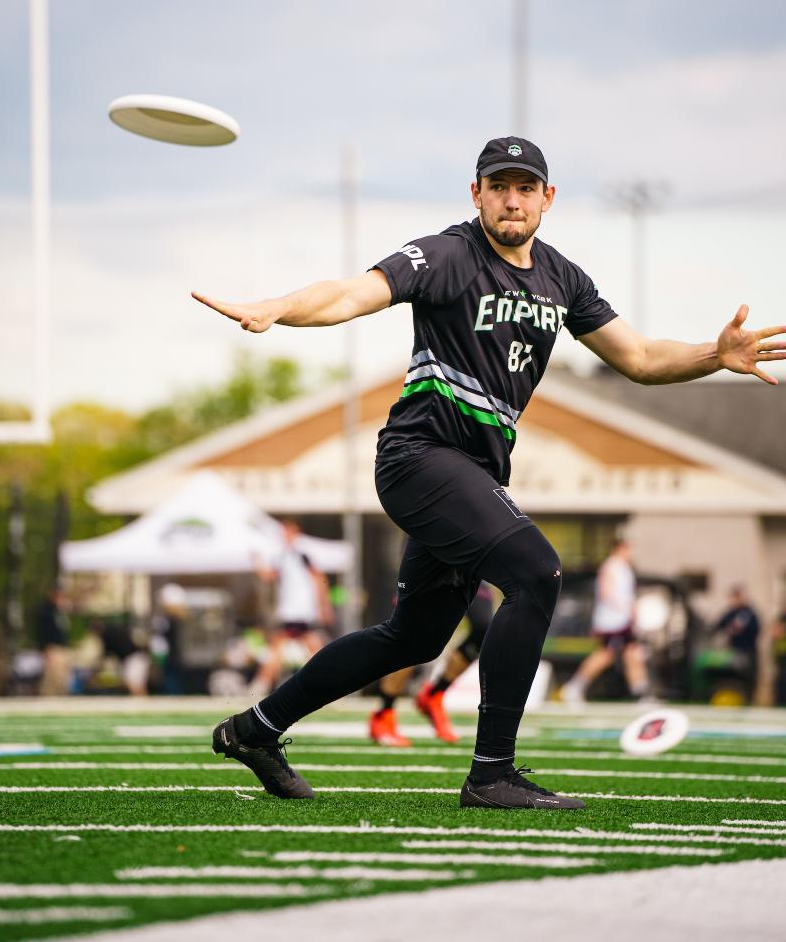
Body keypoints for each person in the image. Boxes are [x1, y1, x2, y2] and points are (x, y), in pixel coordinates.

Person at [196, 134, 786, 811]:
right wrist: (276, 309)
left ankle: (255, 729)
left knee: (416, 637)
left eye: (525, 187)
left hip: (473, 473)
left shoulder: (563, 279)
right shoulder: (448, 255)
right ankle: (491, 774)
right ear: (476, 194)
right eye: (498, 186)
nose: (512, 200)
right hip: (418, 459)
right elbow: (352, 294)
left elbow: (643, 359)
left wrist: (714, 354)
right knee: (537, 573)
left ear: (547, 198)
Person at [369, 582, 495, 746]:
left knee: (484, 627)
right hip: (429, 572)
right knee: (410, 632)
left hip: (468, 572)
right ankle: (384, 712)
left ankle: (434, 695)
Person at [249, 519, 333, 699]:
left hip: (299, 609)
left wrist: (323, 606)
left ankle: (261, 685)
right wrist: (256, 560)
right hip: (293, 610)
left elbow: (319, 579)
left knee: (283, 646)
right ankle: (327, 682)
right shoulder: (283, 555)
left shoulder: (300, 553)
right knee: (306, 646)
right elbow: (268, 575)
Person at [561, 540, 650, 704]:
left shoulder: (624, 568)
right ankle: (574, 686)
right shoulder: (611, 566)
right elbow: (606, 592)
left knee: (633, 653)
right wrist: (626, 609)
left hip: (623, 621)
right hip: (613, 622)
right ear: (619, 549)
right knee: (606, 655)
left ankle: (641, 693)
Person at [713, 584, 760, 695]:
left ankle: (749, 697)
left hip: (748, 651)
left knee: (748, 677)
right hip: (734, 651)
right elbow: (718, 626)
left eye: (737, 597)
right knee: (733, 678)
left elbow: (756, 630)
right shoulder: (730, 613)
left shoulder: (750, 613)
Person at [37, 587, 71, 696]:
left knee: (62, 675)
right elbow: (42, 632)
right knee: (52, 676)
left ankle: (60, 695)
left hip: (61, 648)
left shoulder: (59, 613)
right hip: (52, 648)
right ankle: (48, 695)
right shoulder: (47, 612)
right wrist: (44, 648)